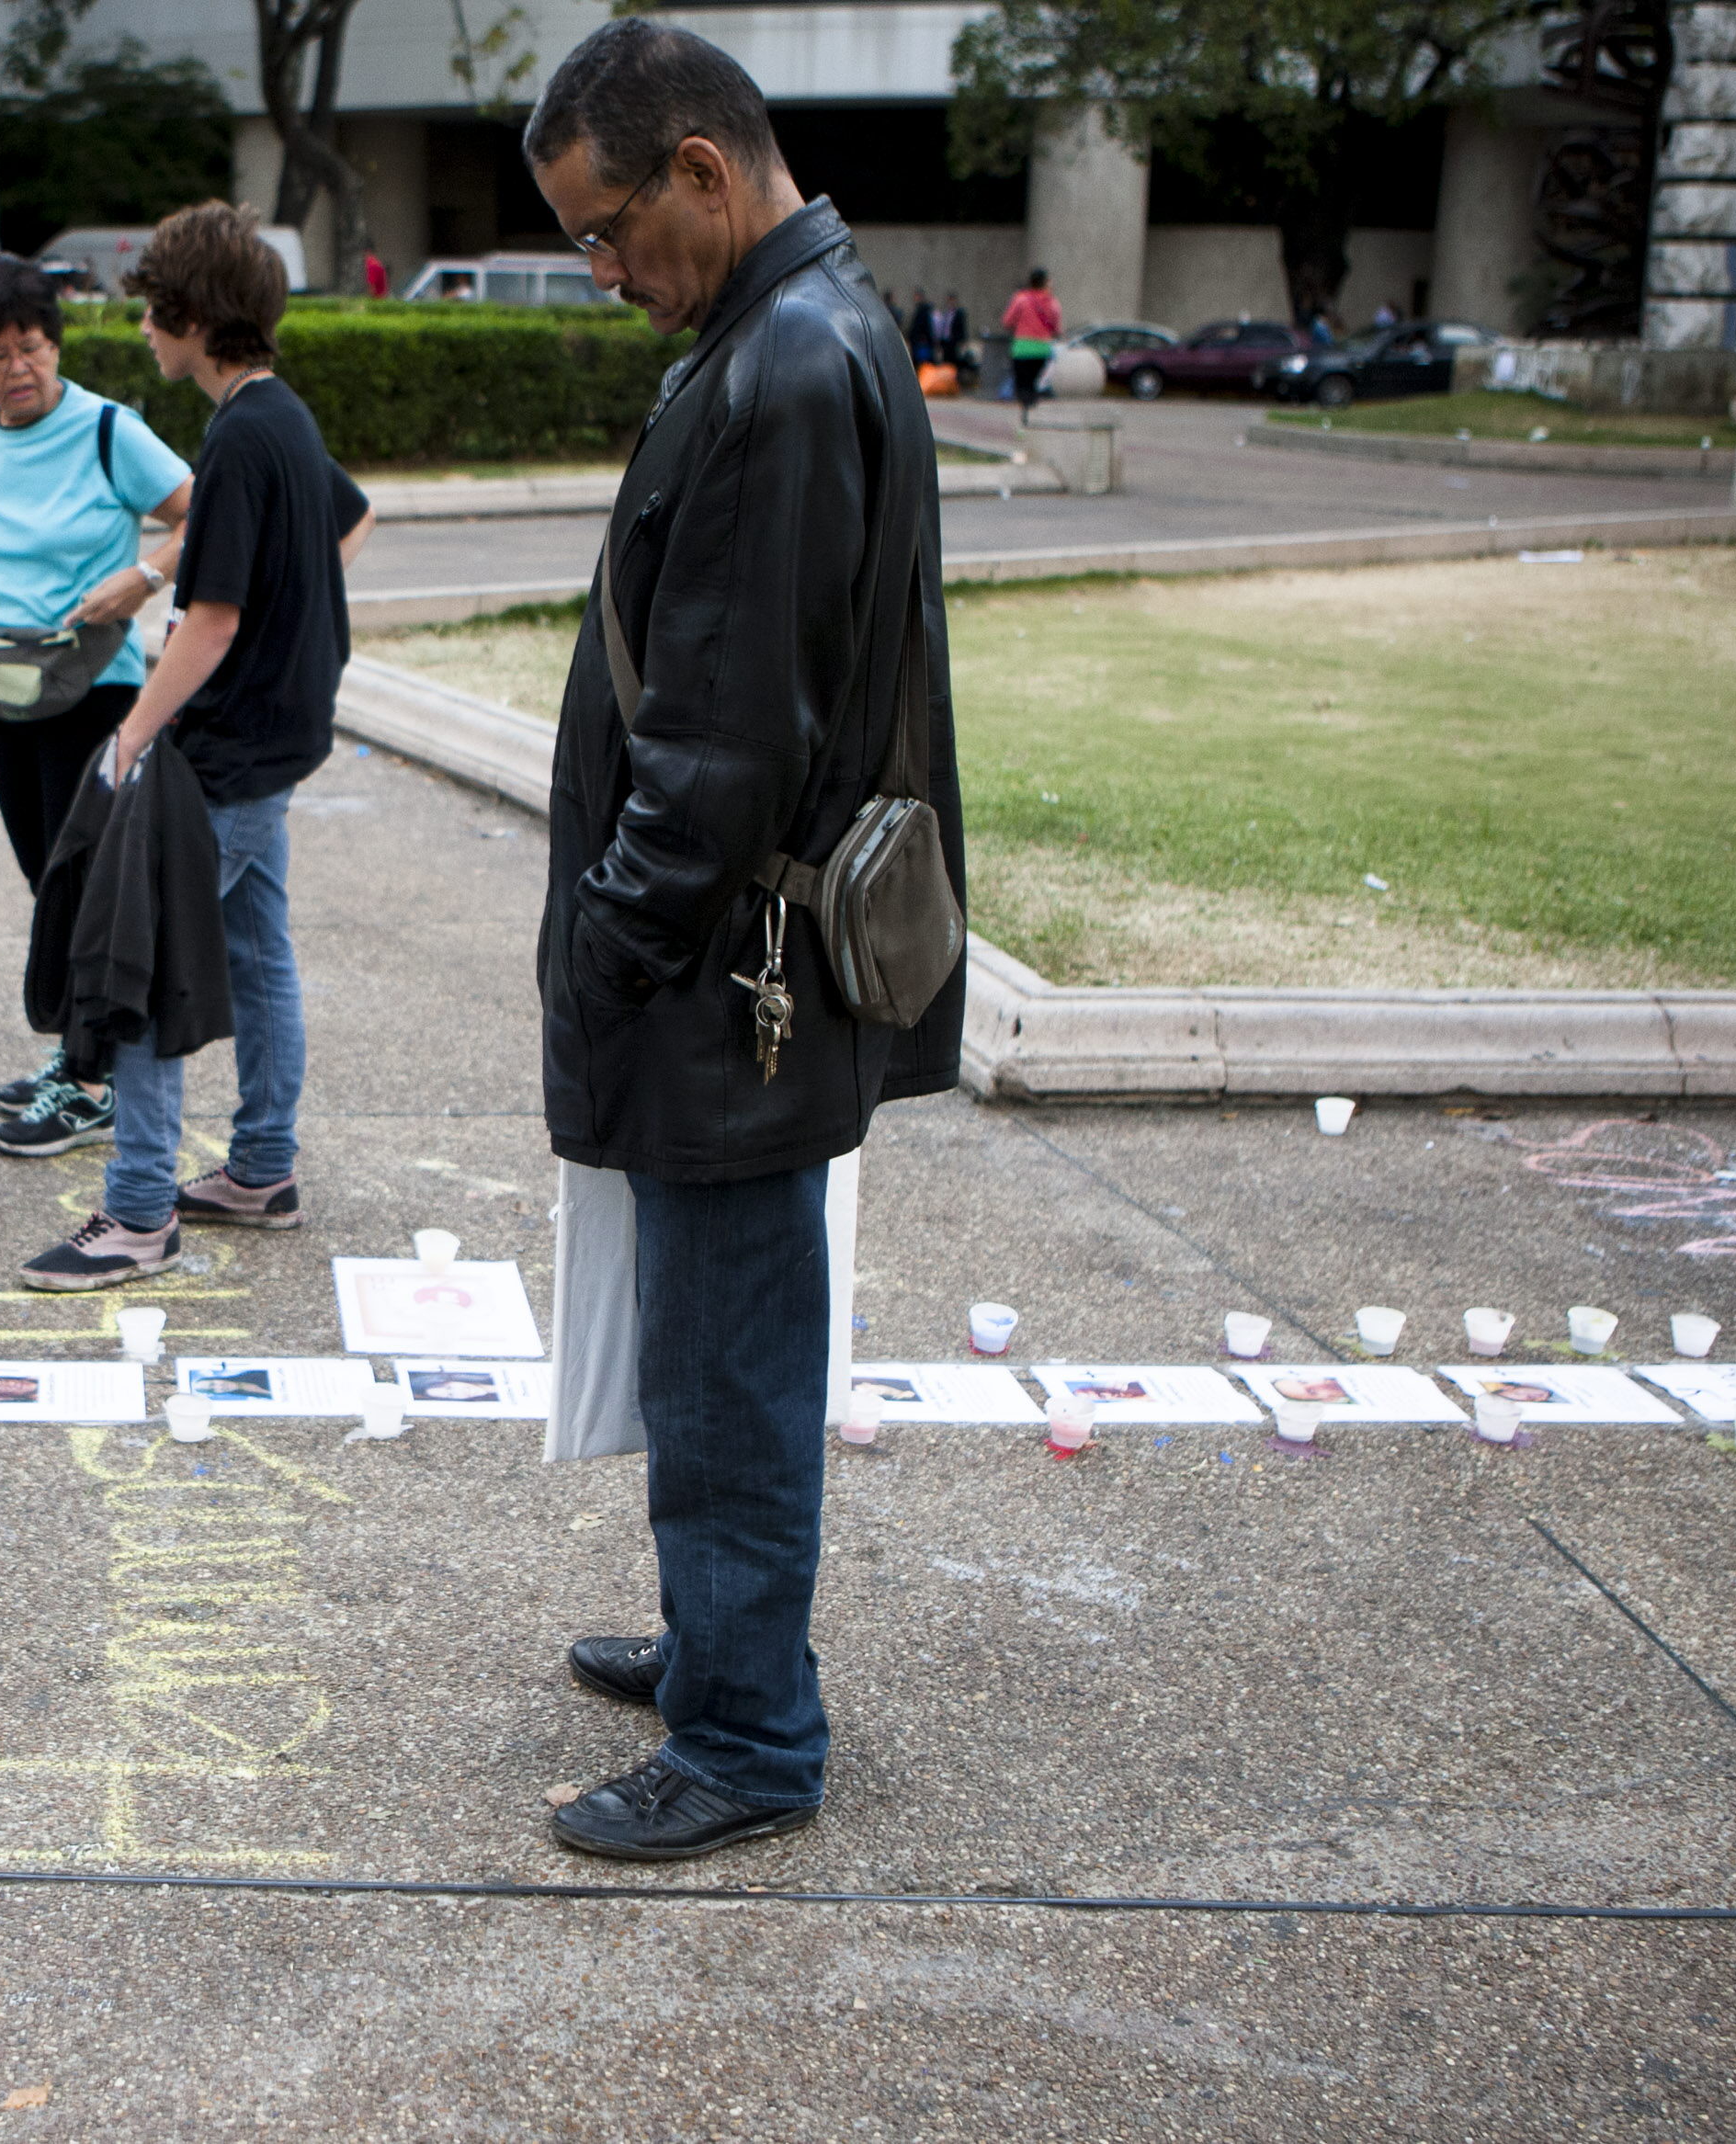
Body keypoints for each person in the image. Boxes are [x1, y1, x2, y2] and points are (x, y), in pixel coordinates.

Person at [519, 18, 965, 1860]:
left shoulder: (784, 362)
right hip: (740, 955)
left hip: (728, 969)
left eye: (612, 229)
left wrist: (600, 951)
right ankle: (726, 1642)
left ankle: (749, 1735)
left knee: (729, 1356)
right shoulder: (792, 325)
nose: (608, 271)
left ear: (702, 168)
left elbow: (719, 744)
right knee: (718, 1332)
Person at [10, 201, 377, 1290]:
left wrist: (129, 736)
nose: (142, 335)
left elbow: (209, 622)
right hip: (278, 741)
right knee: (258, 955)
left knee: (147, 962)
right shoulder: (284, 422)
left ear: (191, 318)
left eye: (151, 316)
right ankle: (260, 1167)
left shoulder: (239, 439)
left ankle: (133, 1216)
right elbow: (350, 522)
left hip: (219, 755)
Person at [0, 255, 197, 1153]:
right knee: (46, 873)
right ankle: (81, 1056)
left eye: (31, 347)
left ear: (55, 342)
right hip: (0, 678)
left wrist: (146, 574)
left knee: (85, 875)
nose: (18, 369)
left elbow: (203, 509)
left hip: (94, 683)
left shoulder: (108, 430)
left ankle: (90, 1077)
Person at [998, 266, 1058, 416]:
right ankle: (1031, 408)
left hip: (1022, 348)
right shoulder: (1052, 303)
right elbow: (1056, 327)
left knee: (1022, 384)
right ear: (1045, 283)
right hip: (1042, 349)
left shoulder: (1021, 299)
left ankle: (1025, 415)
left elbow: (1007, 321)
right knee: (1032, 382)